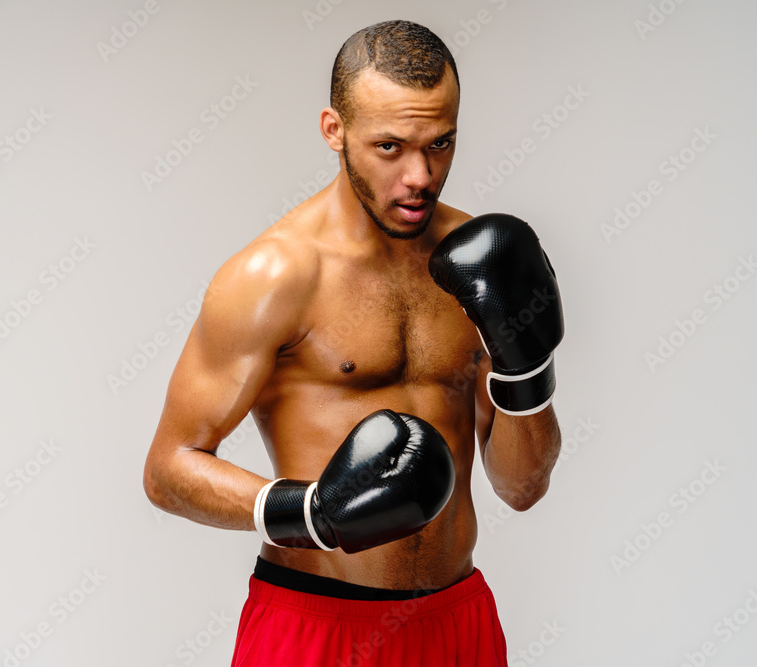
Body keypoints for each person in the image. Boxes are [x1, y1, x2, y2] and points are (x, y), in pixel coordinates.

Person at [143, 20, 563, 666]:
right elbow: (167, 469)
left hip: (456, 623)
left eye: (440, 144)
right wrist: (309, 512)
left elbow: (522, 486)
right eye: (389, 147)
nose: (420, 175)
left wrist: (524, 370)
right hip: (316, 627)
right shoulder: (275, 277)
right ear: (334, 130)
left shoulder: (477, 261)